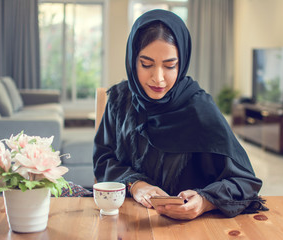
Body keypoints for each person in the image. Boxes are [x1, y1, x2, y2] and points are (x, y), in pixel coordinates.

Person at [93, 9, 267, 220]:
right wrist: (136, 185)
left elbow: (246, 183)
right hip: (126, 222)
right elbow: (103, 158)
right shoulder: (120, 100)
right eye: (146, 64)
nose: (158, 78)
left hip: (188, 228)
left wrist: (205, 201)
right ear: (132, 60)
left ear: (182, 62)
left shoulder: (200, 109)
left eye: (170, 66)